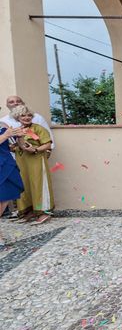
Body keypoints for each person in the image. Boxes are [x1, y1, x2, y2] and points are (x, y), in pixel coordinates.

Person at [0, 95, 54, 219]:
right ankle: (28, 211)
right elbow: (15, 145)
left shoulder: (38, 128)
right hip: (22, 161)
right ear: (17, 117)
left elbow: (48, 144)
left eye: (29, 115)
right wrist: (16, 145)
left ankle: (43, 212)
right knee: (25, 186)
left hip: (36, 160)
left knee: (38, 185)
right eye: (23, 115)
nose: (26, 117)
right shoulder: (16, 130)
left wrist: (35, 149)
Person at [0, 114, 25, 247]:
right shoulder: (5, 131)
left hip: (6, 166)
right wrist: (5, 135)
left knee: (5, 198)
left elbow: (19, 146)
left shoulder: (3, 126)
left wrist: (20, 136)